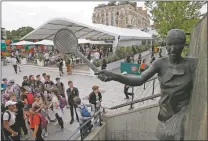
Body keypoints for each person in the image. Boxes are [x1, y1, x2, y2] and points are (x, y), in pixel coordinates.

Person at [95, 29, 198, 141]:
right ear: (166, 44)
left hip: (183, 115)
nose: (172, 49)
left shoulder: (193, 64)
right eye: (170, 44)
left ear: (183, 45)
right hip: (165, 116)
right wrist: (114, 76)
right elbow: (140, 79)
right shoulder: (160, 63)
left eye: (177, 45)